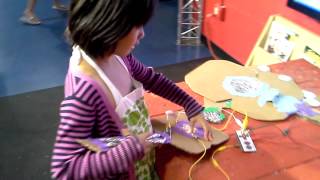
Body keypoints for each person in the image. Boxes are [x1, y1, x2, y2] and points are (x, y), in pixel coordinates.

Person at [51, 0, 213, 179]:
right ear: (109, 26)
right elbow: (64, 168)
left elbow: (152, 80)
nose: (142, 34)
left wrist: (189, 104)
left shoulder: (117, 56)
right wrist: (133, 147)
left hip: (141, 160)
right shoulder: (84, 93)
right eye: (137, 26)